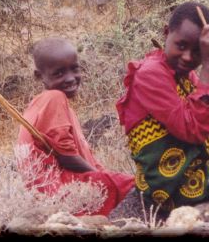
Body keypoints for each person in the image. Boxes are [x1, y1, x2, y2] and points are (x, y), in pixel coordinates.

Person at [115, 1, 209, 212]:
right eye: (181, 46)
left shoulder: (186, 77)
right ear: (166, 33)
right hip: (169, 184)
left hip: (195, 169)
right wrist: (208, 67)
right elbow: (192, 130)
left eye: (198, 52)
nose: (188, 57)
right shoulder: (150, 74)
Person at [17, 37, 134, 216]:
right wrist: (105, 179)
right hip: (60, 192)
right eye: (59, 73)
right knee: (140, 187)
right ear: (39, 76)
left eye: (74, 69)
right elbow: (67, 157)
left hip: (49, 193)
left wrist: (105, 176)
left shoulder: (39, 104)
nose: (70, 78)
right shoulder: (54, 97)